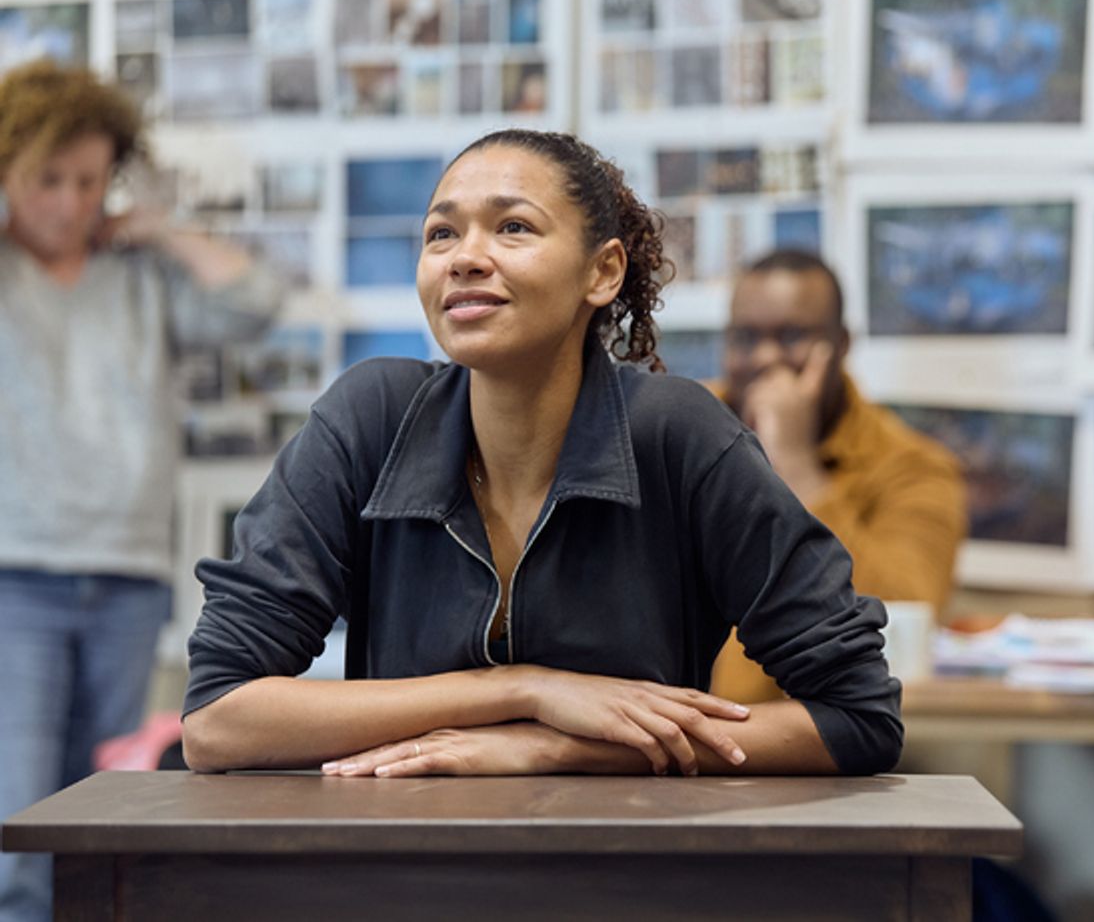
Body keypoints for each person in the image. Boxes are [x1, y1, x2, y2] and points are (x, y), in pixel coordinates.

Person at [180, 130, 902, 781]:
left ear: (603, 273)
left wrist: (555, 746)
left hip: (627, 871)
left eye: (513, 227)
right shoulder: (371, 418)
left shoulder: (679, 435)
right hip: (406, 873)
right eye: (441, 235)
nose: (466, 257)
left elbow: (857, 717)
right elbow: (217, 720)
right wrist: (524, 690)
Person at [0, 60, 282, 922]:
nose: (70, 202)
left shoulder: (140, 279)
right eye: (47, 178)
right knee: (15, 817)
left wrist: (157, 231)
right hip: (16, 579)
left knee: (105, 810)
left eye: (88, 179)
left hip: (127, 574)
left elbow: (257, 300)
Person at [707, 249, 967, 703]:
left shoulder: (913, 466)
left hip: (816, 741)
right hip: (666, 733)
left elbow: (906, 613)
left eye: (791, 336)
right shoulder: (683, 430)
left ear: (842, 344)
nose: (765, 358)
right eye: (745, 338)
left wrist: (794, 465)